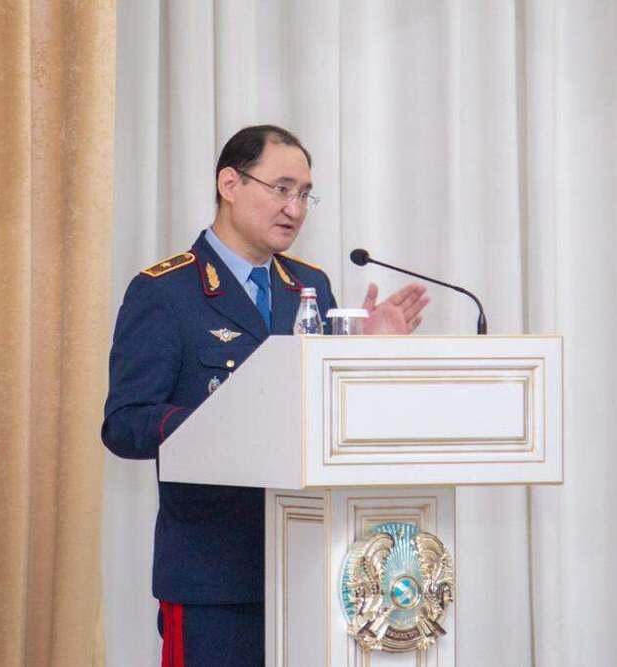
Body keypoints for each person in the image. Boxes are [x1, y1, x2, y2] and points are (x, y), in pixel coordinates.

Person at [102, 125, 429, 666]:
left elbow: (321, 410)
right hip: (213, 578)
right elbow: (125, 423)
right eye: (281, 189)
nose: (294, 209)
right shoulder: (166, 291)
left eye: (304, 195)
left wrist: (363, 351)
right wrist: (222, 423)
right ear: (229, 184)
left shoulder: (310, 287)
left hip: (311, 564)